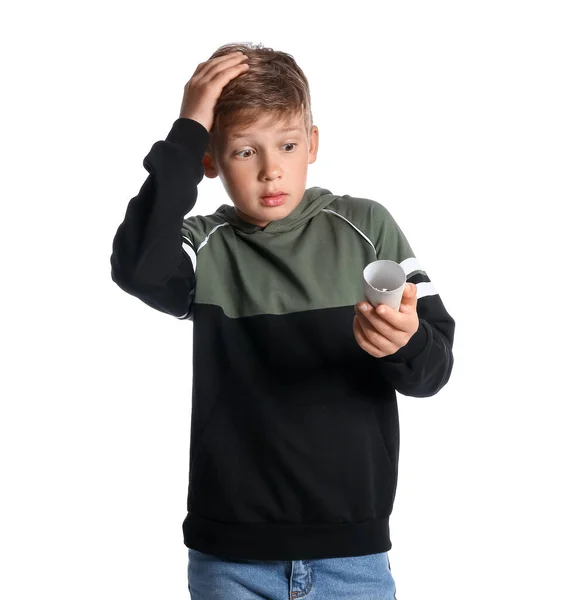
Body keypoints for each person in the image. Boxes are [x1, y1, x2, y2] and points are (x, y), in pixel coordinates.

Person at [110, 42, 455, 600]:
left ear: (312, 144)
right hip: (231, 560)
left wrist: (405, 343)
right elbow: (137, 266)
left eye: (288, 145)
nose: (272, 170)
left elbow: (435, 368)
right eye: (244, 152)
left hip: (354, 558)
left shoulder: (367, 227)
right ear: (210, 159)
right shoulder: (206, 246)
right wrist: (188, 127)